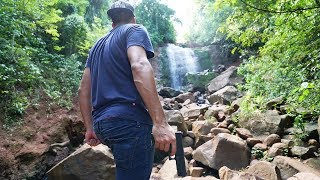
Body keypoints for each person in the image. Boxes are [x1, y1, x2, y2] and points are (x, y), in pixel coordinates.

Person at [78, 1, 176, 179]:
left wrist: (90, 128)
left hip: (103, 124)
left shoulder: (96, 47)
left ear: (112, 23)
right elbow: (139, 65)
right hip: (129, 122)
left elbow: (83, 90)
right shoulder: (134, 30)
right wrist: (160, 123)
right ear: (133, 19)